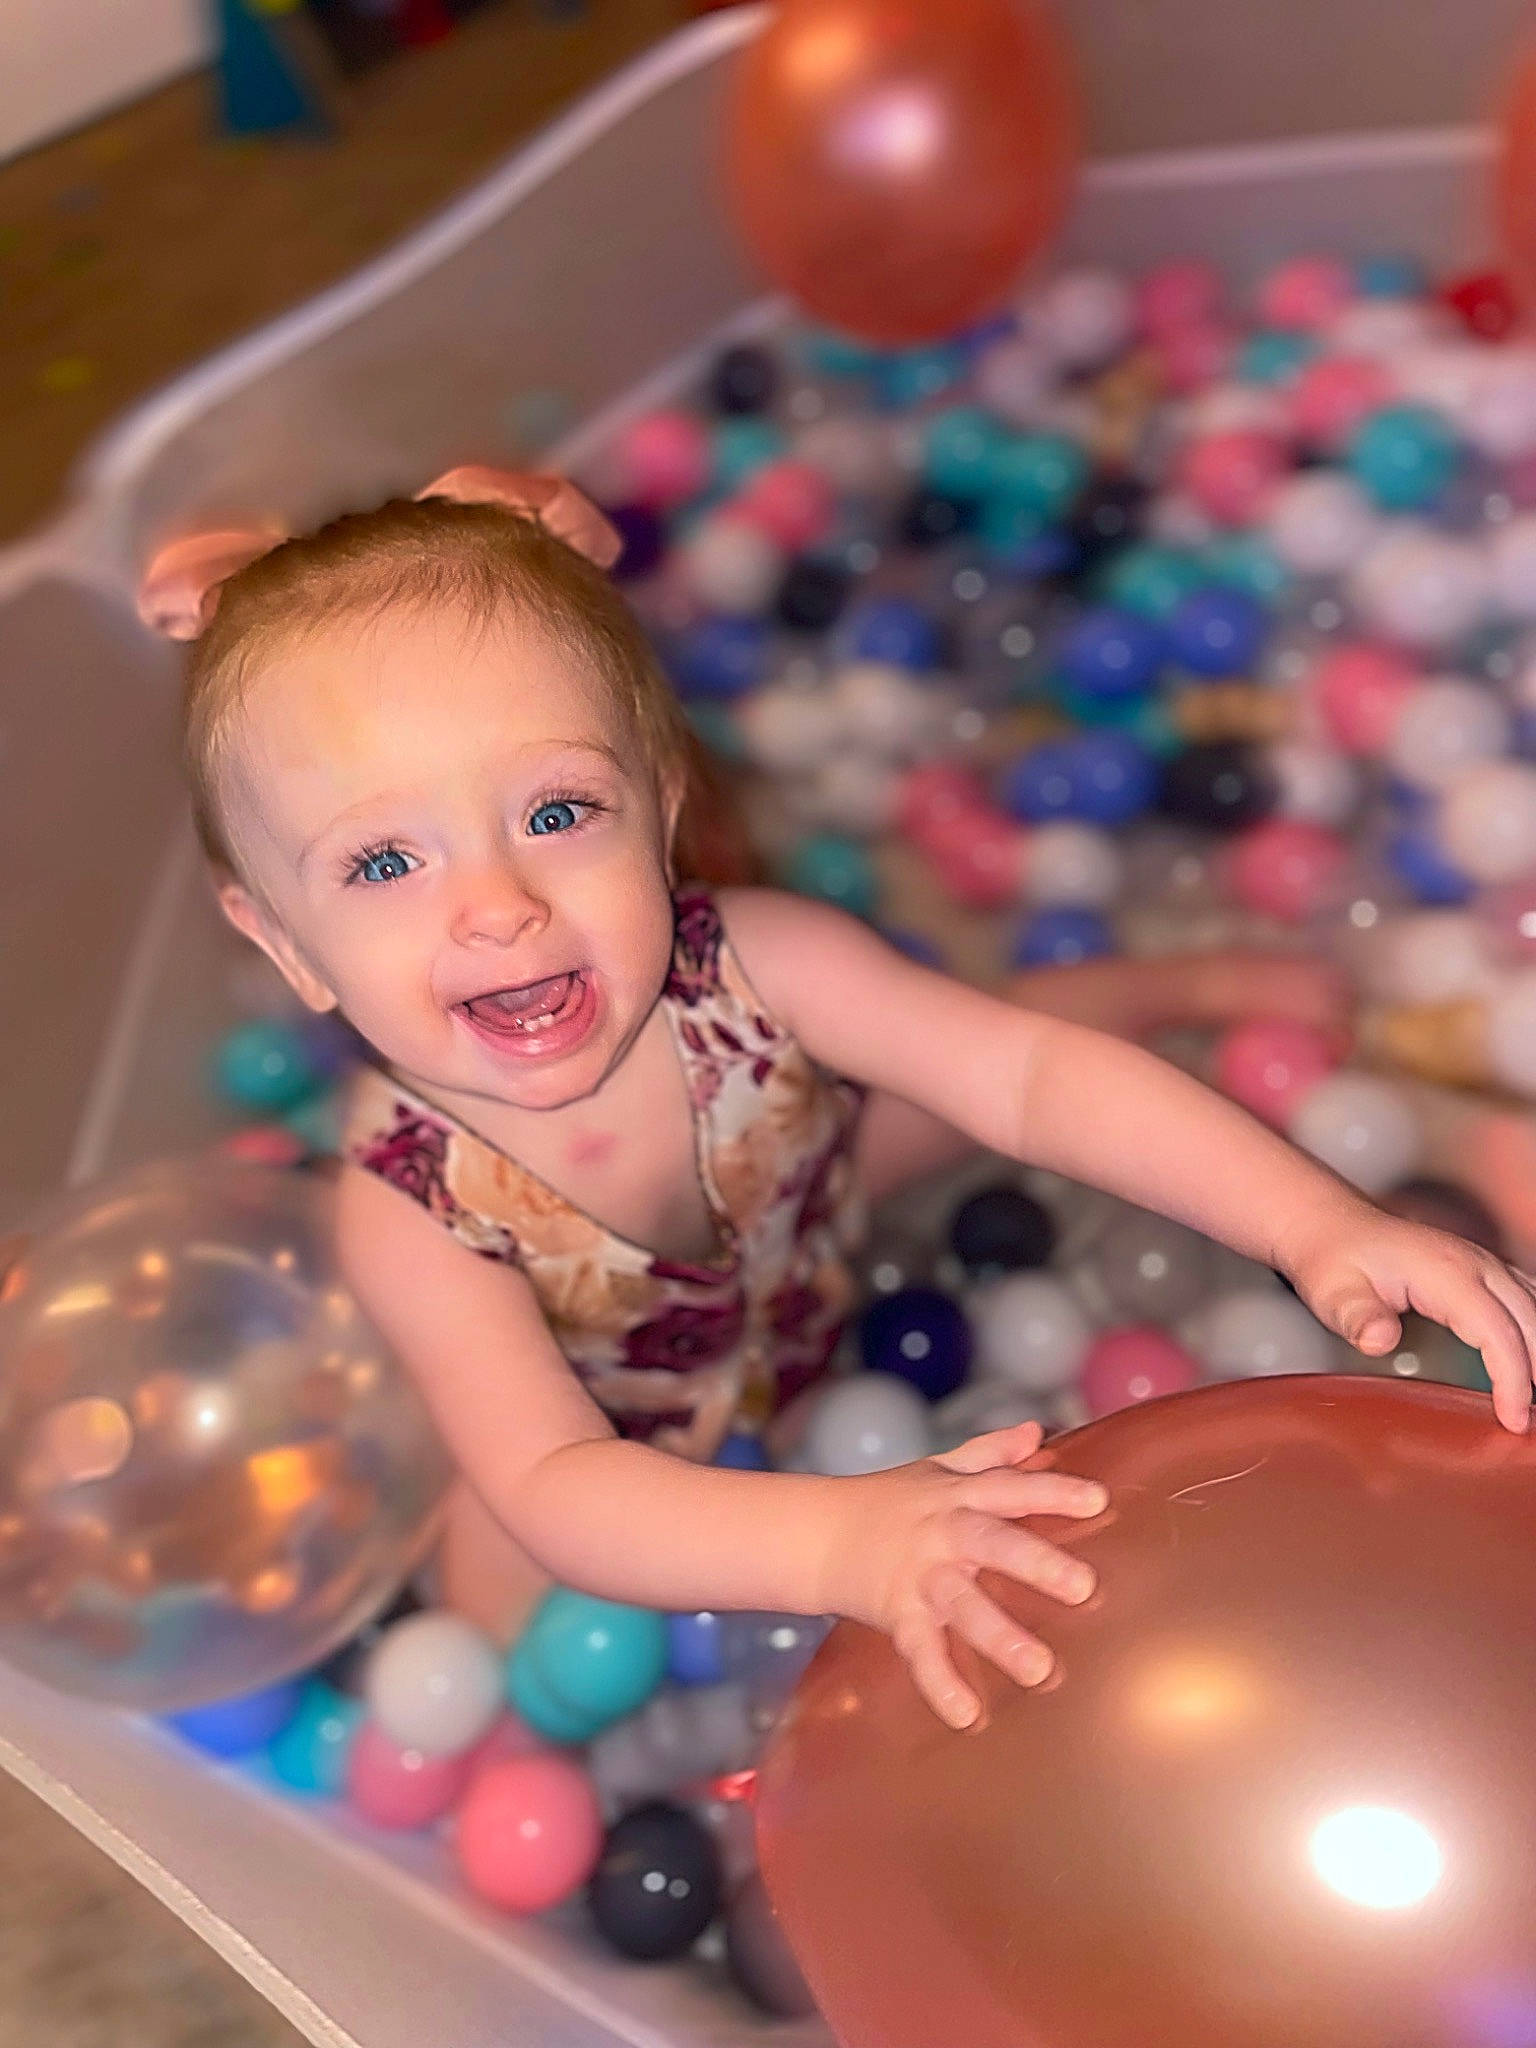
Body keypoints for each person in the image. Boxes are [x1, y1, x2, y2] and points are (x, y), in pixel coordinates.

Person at [136, 466, 1536, 1733]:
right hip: (628, 1423)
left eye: (559, 814)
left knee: (1008, 1049)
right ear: (279, 944)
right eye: (384, 865)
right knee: (496, 1640)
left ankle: (1192, 979)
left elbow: (1031, 1082)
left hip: (807, 1207)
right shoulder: (410, 1209)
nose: (497, 908)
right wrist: (843, 1547)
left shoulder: (752, 965)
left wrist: (1312, 1222)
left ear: (662, 804)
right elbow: (564, 1485)